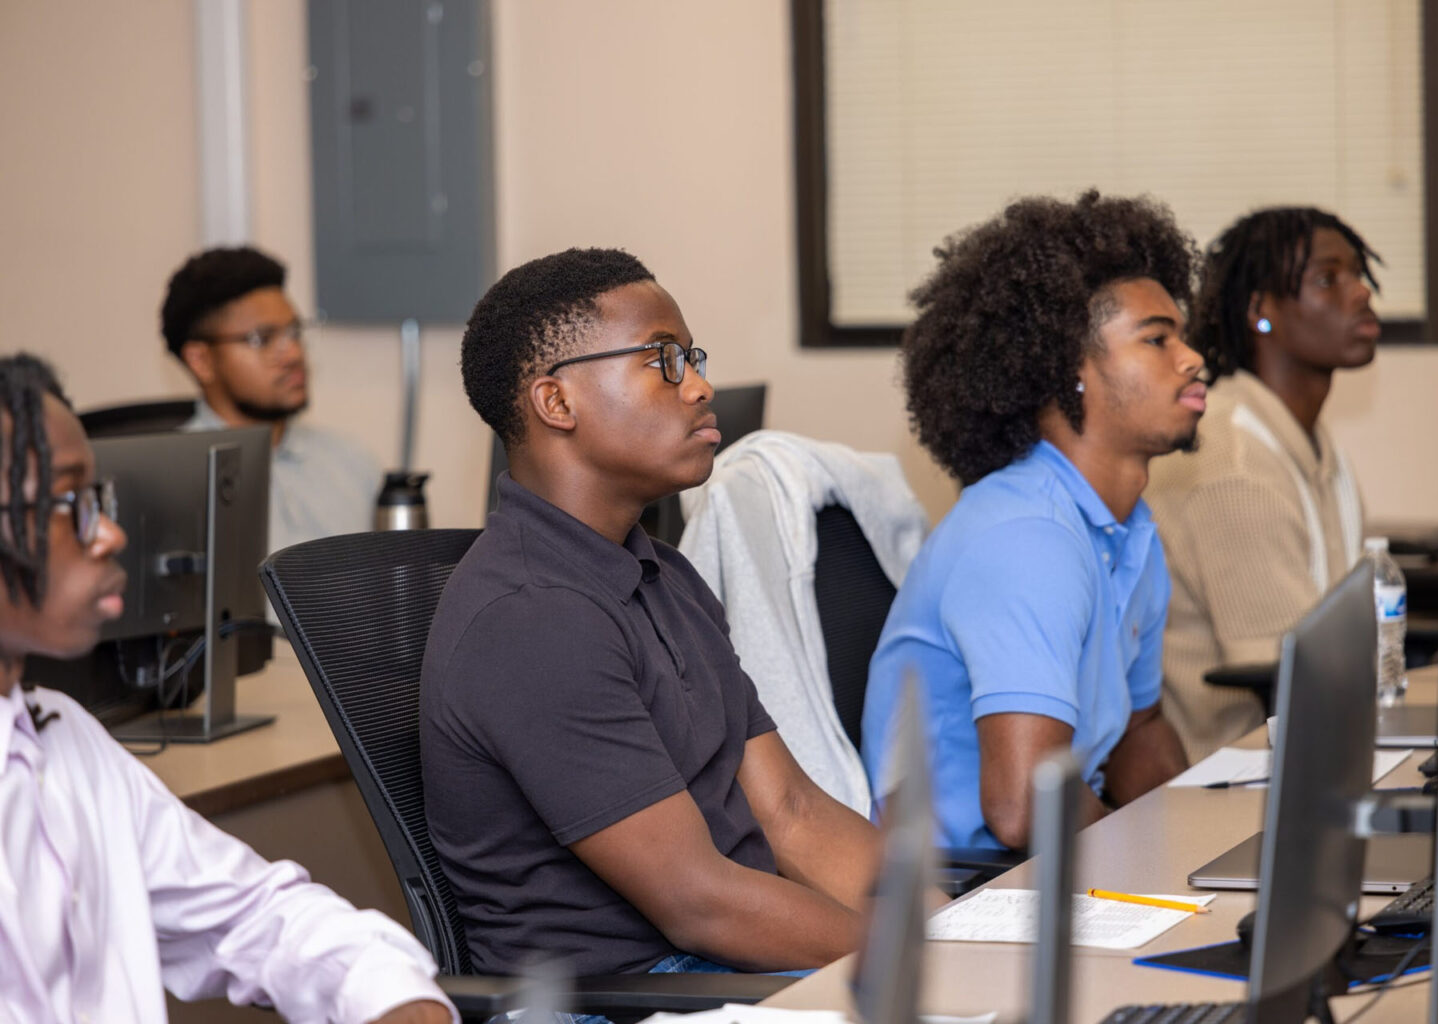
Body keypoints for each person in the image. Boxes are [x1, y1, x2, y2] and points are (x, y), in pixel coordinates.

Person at [421, 248, 883, 979]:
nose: (699, 386)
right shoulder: (533, 618)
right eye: (663, 360)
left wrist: (948, 930)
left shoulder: (662, 576)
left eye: (691, 358)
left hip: (722, 964)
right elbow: (698, 903)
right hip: (633, 996)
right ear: (556, 403)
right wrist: (922, 960)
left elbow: (791, 812)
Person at [0, 353, 452, 1024]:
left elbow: (253, 914)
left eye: (101, 500)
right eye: (71, 504)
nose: (112, 534)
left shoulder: (61, 741)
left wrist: (395, 995)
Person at [861, 191, 1199, 852]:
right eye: (1158, 339)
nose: (1191, 358)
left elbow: (1139, 732)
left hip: (1044, 861)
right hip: (965, 882)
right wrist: (1156, 874)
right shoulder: (1027, 537)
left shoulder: (1129, 528)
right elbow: (1024, 806)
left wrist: (1203, 846)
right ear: (1071, 371)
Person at [1143, 207, 1381, 761]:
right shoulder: (1235, 461)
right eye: (1328, 279)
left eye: (1358, 274)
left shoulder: (1310, 444)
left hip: (1300, 753)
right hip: (1232, 774)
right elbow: (1290, 667)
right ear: (1260, 312)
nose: (1361, 292)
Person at [161, 246, 380, 554]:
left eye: (294, 332)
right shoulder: (169, 486)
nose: (293, 354)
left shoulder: (352, 463)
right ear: (201, 361)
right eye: (261, 339)